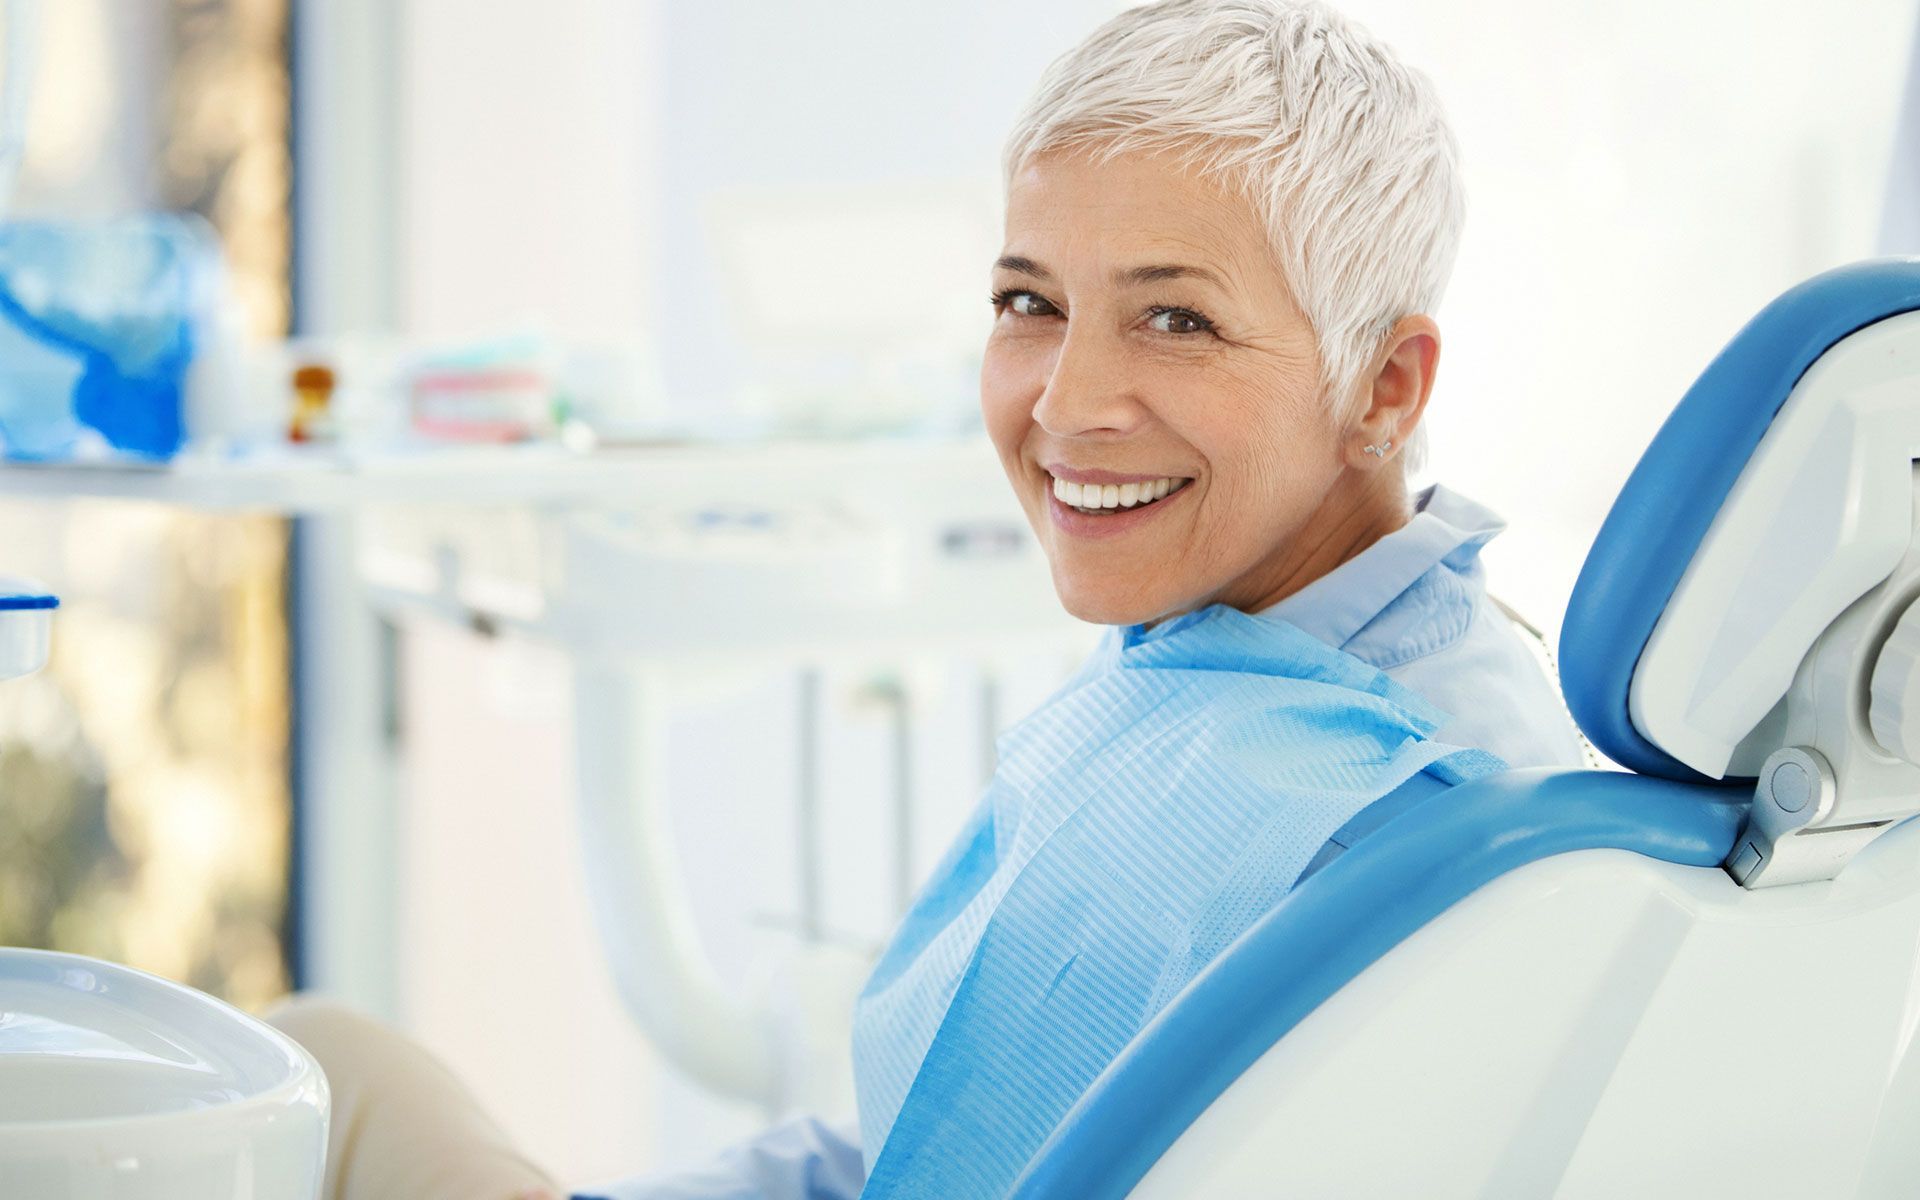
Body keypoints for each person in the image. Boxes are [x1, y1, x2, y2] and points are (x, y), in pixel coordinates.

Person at [270, 1, 1587, 1196]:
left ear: (1384, 387)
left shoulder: (1409, 815)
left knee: (294, 1086)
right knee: (311, 1058)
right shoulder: (1236, 655)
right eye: (1030, 302)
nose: (1065, 403)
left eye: (1175, 320)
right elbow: (924, 1147)